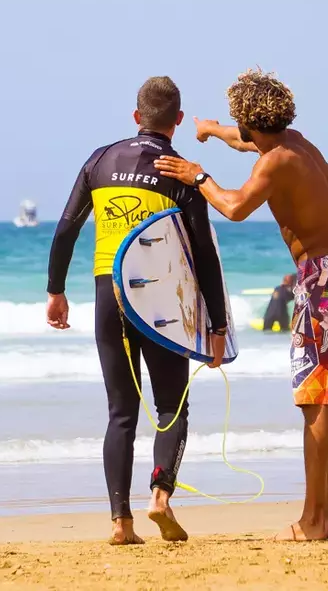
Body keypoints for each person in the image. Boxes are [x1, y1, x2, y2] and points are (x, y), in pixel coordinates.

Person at [153, 68, 328, 542]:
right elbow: (246, 141)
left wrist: (198, 175)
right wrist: (211, 130)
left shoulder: (273, 164)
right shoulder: (296, 144)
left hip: (323, 279)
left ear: (252, 121)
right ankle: (327, 517)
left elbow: (233, 207)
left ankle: (313, 521)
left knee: (317, 401)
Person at [45, 76, 229, 546]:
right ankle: (161, 497)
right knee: (171, 407)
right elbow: (204, 254)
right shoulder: (179, 171)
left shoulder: (99, 159)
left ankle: (119, 523)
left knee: (120, 413)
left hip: (109, 296)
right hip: (162, 303)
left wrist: (56, 291)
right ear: (179, 121)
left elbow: (66, 229)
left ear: (135, 116)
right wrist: (218, 324)